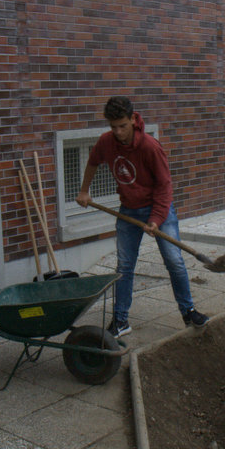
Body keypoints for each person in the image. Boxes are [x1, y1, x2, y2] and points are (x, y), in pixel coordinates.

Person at [75, 96, 209, 338]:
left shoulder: (150, 146)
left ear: (133, 120)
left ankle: (188, 311)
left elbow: (164, 187)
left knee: (174, 261)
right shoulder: (106, 142)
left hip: (158, 208)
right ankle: (120, 320)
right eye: (113, 127)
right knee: (124, 266)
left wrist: (155, 219)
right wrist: (84, 190)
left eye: (122, 126)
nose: (118, 132)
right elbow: (93, 162)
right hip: (128, 210)